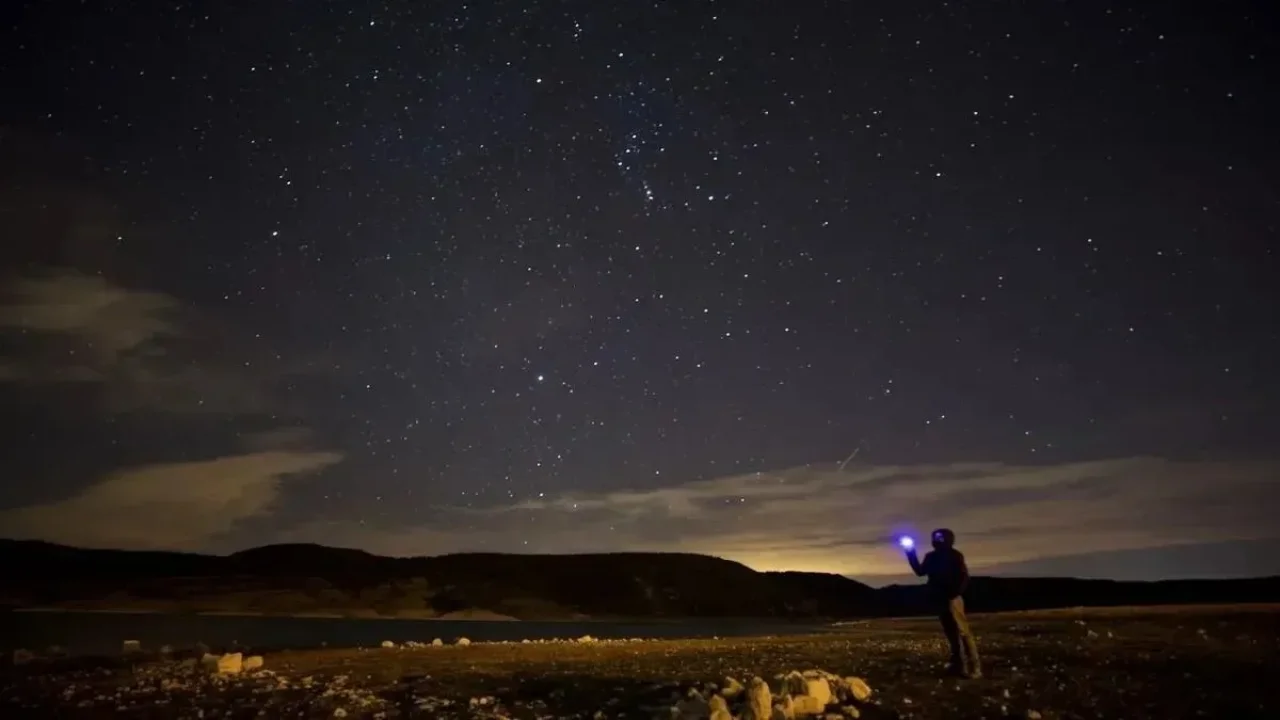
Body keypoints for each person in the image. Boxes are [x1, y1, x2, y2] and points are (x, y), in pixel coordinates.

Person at [904, 528, 982, 678]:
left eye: (940, 537)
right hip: (940, 598)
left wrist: (955, 593)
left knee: (963, 632)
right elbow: (920, 571)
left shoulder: (955, 555)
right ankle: (959, 666)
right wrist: (910, 552)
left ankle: (974, 668)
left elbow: (964, 576)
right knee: (951, 634)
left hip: (952, 599)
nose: (936, 540)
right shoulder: (931, 557)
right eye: (935, 537)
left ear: (948, 539)